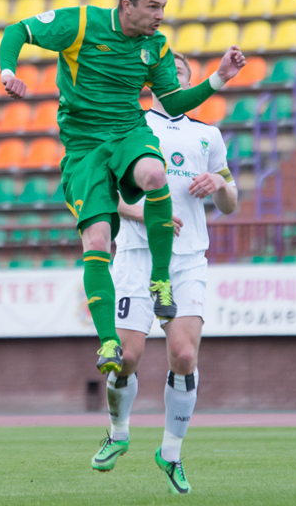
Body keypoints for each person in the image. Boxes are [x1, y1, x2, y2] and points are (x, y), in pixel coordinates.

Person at [0, 0, 245, 374]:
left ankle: (161, 280)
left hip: (129, 131)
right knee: (97, 239)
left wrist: (219, 78)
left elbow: (173, 101)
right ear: (126, 6)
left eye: (163, 7)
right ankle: (108, 343)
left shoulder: (156, 46)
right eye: (153, 7)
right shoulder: (82, 23)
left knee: (155, 175)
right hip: (84, 148)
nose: (160, 15)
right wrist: (8, 72)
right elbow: (17, 31)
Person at [90, 53, 238, 494]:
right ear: (151, 81)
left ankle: (171, 454)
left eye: (181, 73)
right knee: (126, 357)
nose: (174, 77)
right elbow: (107, 195)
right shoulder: (131, 126)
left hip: (187, 258)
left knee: (185, 355)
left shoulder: (208, 135)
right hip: (137, 255)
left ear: (190, 83)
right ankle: (118, 433)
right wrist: (144, 215)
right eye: (167, 72)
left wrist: (220, 185)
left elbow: (230, 203)